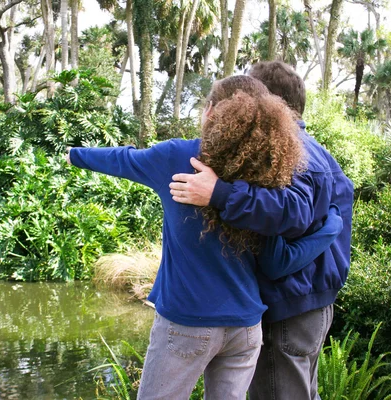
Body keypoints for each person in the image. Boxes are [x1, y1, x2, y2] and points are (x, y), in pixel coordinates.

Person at [66, 75, 342, 399]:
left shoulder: (176, 158)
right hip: (246, 328)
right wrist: (331, 229)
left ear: (210, 111)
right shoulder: (268, 174)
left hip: (187, 323)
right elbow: (279, 254)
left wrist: (74, 154)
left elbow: (122, 159)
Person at [169, 61, 354, 400]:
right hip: (309, 304)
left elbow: (291, 211)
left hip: (289, 308)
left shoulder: (295, 153)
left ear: (271, 102)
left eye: (248, 95)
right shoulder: (316, 151)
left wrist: (219, 194)